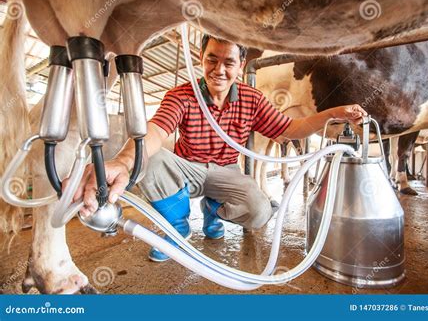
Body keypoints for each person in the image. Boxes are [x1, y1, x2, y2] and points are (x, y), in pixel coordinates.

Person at [70, 34, 367, 262]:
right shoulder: (181, 95)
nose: (219, 70)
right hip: (187, 168)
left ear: (241, 65)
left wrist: (332, 113)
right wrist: (123, 161)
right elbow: (157, 131)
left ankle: (214, 208)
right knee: (152, 158)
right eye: (212, 59)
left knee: (260, 211)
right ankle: (177, 228)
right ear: (200, 57)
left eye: (228, 62)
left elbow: (289, 129)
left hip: (226, 171)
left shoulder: (252, 99)